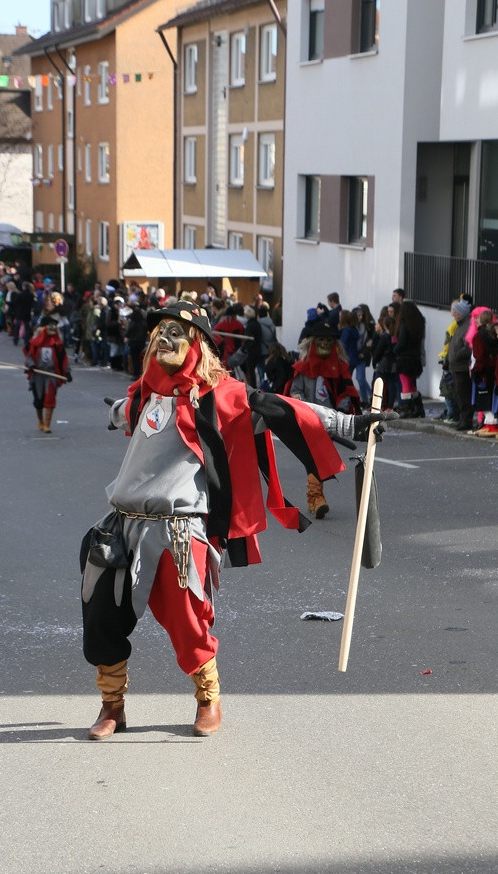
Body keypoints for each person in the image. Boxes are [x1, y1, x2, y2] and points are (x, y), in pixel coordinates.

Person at [80, 302, 384, 740]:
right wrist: (114, 413)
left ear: (198, 344)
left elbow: (287, 410)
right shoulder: (146, 391)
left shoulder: (220, 396)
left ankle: (209, 699)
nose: (165, 338)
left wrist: (352, 424)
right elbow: (123, 414)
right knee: (102, 616)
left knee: (190, 622)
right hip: (122, 524)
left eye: (177, 332)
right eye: (161, 330)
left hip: (178, 531)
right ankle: (112, 707)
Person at [286, 318, 362, 518]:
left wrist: (340, 414)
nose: (325, 343)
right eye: (321, 339)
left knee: (320, 458)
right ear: (313, 342)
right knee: (314, 458)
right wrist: (300, 406)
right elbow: (295, 391)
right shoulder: (303, 368)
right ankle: (316, 497)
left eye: (329, 340)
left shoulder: (340, 368)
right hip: (309, 421)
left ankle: (315, 497)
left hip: (330, 422)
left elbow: (346, 392)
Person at [24, 316, 70, 433]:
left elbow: (64, 359)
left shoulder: (57, 344)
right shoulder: (35, 342)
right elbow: (29, 356)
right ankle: (40, 420)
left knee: (50, 398)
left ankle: (47, 424)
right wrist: (31, 365)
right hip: (38, 374)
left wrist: (67, 371)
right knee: (39, 400)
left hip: (52, 374)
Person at [393, 299, 426, 418]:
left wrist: (394, 350)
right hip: (415, 359)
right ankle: (418, 407)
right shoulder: (419, 324)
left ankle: (407, 409)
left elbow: (401, 343)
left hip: (404, 359)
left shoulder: (404, 324)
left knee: (405, 384)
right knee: (412, 385)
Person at [448, 299, 474, 430]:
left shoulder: (467, 326)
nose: (453, 314)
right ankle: (462, 419)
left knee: (463, 395)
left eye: (456, 311)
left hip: (462, 366)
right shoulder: (461, 325)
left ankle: (466, 420)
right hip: (457, 366)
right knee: (458, 394)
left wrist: (456, 355)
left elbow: (468, 346)